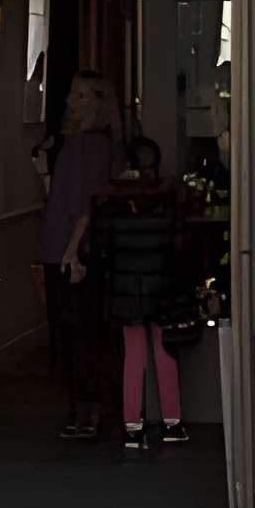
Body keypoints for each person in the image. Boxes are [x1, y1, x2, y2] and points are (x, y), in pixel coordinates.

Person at [90, 137, 198, 452]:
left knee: (133, 356)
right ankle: (172, 423)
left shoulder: (112, 200)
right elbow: (179, 246)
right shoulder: (168, 198)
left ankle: (132, 428)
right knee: (165, 353)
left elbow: (102, 248)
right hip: (160, 286)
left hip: (125, 288)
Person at [42, 74, 122, 440]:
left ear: (98, 102)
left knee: (82, 334)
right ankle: (80, 409)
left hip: (71, 248)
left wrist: (73, 251)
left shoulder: (94, 145)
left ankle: (89, 412)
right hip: (57, 242)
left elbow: (89, 204)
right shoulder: (72, 143)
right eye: (72, 92)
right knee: (68, 332)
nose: (72, 99)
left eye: (82, 94)